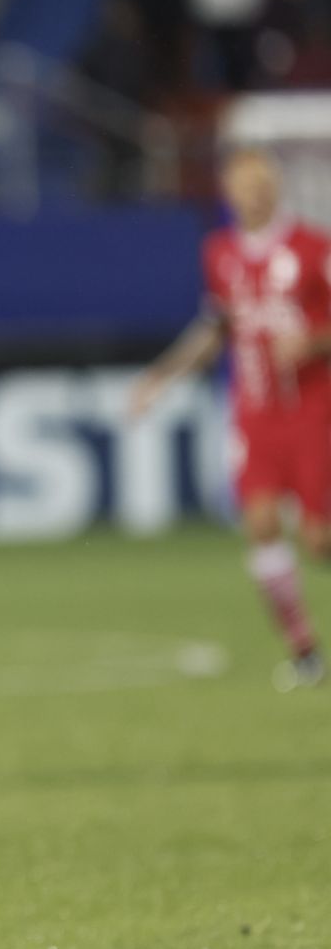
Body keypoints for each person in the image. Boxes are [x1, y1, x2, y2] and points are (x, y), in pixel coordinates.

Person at [132, 147, 329, 691]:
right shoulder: (219, 253)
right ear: (228, 192)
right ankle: (304, 651)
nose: (255, 193)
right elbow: (214, 331)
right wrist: (159, 379)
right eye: (244, 185)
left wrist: (314, 341)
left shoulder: (314, 249)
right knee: (261, 525)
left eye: (263, 182)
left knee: (318, 541)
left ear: (277, 187)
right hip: (256, 415)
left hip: (314, 411)